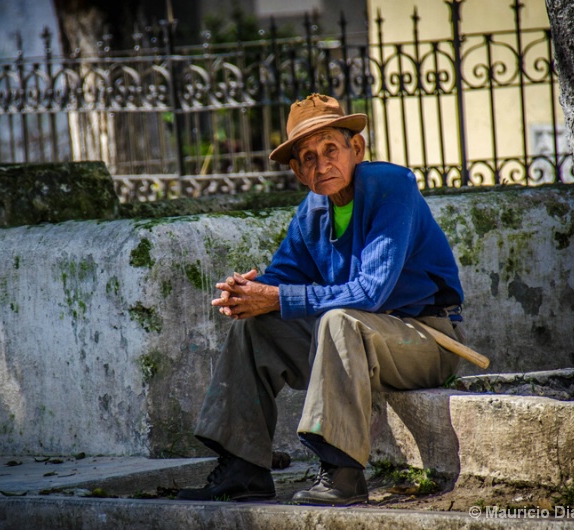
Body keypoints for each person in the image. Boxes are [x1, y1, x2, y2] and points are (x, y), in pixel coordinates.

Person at [176, 93, 465, 506]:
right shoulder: (312, 211)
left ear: (356, 149)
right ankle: (243, 470)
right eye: (307, 157)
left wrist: (277, 296)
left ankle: (342, 472)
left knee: (338, 319)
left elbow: (371, 292)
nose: (321, 164)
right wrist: (248, 294)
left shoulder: (392, 188)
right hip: (359, 341)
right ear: (296, 170)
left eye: (331, 148)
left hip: (425, 339)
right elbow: (284, 278)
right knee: (255, 328)